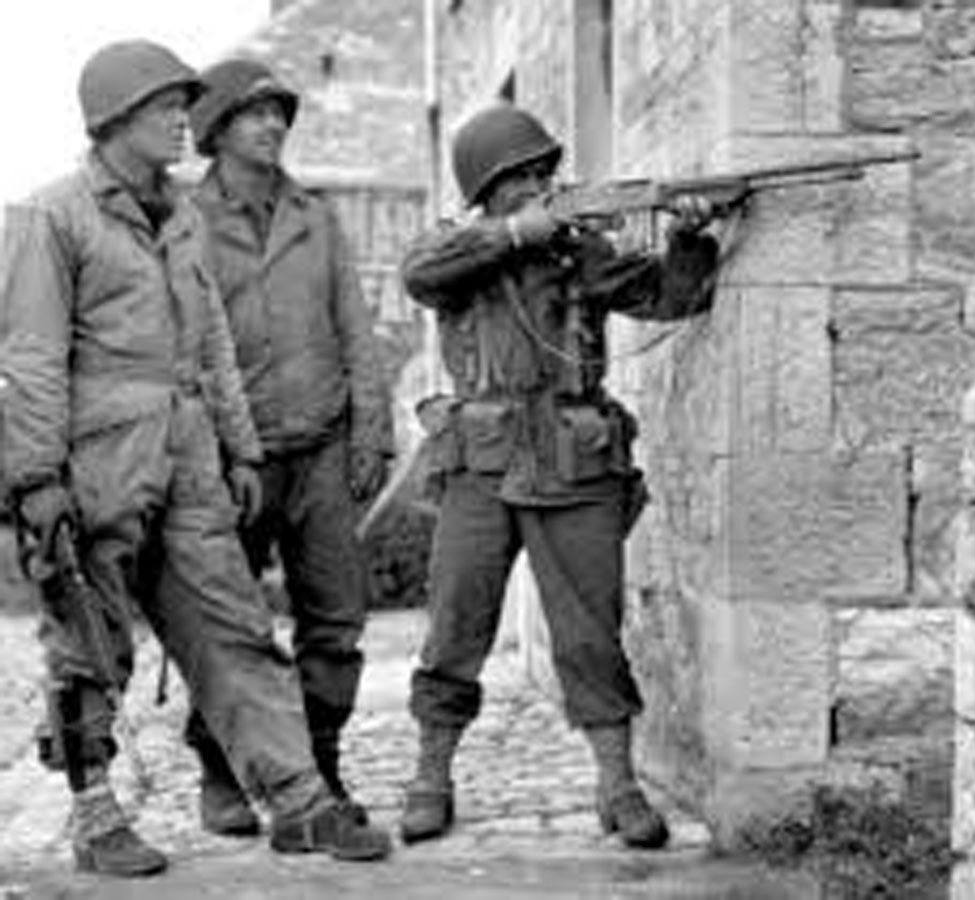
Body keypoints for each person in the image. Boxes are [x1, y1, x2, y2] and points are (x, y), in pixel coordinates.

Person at [0, 40, 390, 877]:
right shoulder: (50, 217)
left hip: (189, 455)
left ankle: (298, 801)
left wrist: (240, 449)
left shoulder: (181, 220)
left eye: (184, 106)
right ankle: (96, 817)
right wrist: (34, 479)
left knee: (234, 625)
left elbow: (211, 344)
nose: (184, 121)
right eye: (166, 108)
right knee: (88, 641)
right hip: (95, 459)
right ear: (115, 120)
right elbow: (29, 359)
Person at [397, 103, 719, 849]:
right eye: (522, 177)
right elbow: (419, 275)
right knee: (455, 626)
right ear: (487, 189)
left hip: (574, 466)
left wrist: (689, 237)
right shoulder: (454, 248)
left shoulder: (580, 253)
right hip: (480, 466)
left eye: (545, 172)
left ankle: (618, 785)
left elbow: (671, 297)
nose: (541, 184)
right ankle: (429, 778)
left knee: (589, 634)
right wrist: (515, 235)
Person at [182, 58, 394, 834]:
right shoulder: (187, 223)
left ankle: (321, 767)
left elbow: (355, 328)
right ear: (216, 132)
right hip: (233, 459)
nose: (272, 124)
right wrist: (203, 453)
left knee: (335, 617)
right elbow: (186, 343)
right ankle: (220, 772)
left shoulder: (316, 217)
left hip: (322, 448)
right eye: (254, 113)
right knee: (229, 623)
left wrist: (371, 430)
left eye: (278, 112)